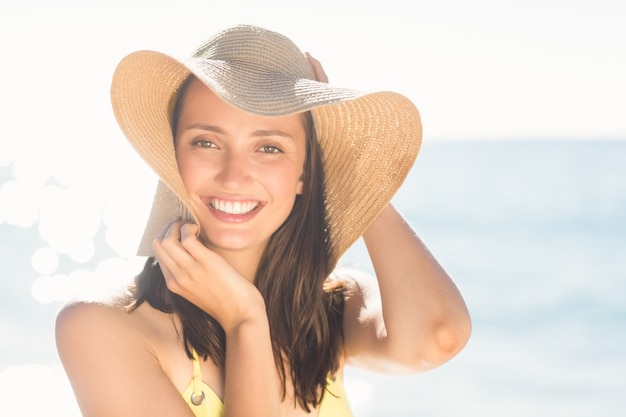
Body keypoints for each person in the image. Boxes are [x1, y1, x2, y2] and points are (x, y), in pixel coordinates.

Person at [55, 24, 471, 417]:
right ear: (173, 156)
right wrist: (245, 321)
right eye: (206, 142)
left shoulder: (327, 310)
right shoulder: (104, 327)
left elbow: (439, 336)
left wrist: (345, 164)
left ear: (306, 171)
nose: (234, 176)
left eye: (269, 148)